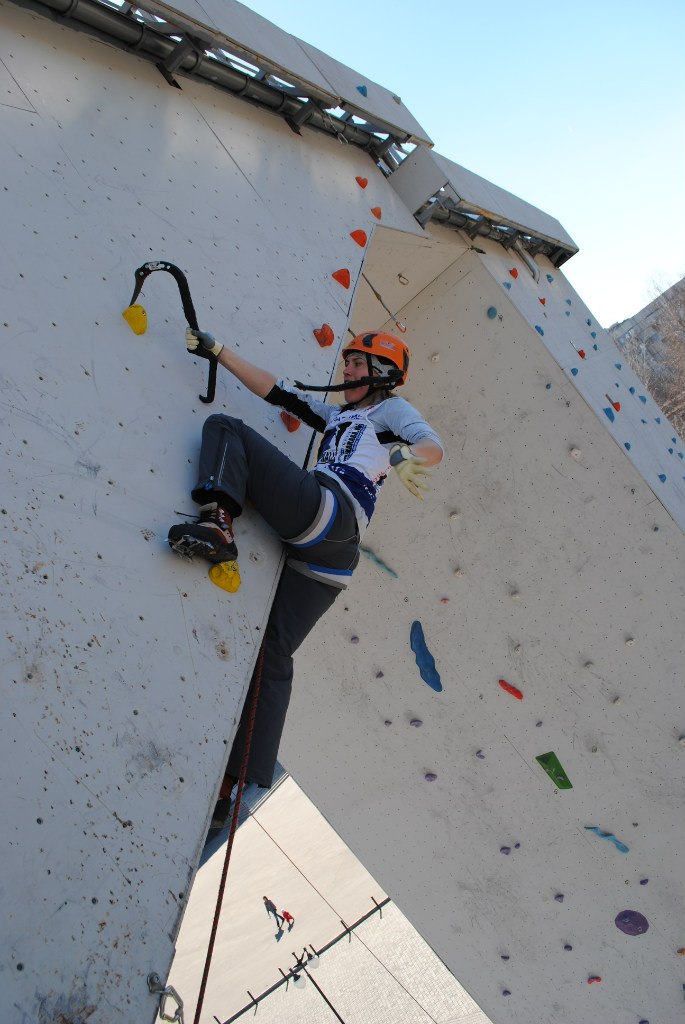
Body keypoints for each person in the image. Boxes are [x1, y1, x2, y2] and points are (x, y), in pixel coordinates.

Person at [168, 328, 444, 832]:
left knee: (226, 428)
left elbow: (433, 447)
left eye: (358, 364)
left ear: (383, 372)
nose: (348, 372)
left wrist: (405, 456)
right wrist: (219, 351)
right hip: (334, 558)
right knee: (272, 656)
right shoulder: (340, 416)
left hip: (330, 512)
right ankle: (233, 786)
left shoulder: (390, 414)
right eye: (349, 364)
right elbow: (276, 390)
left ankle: (216, 521)